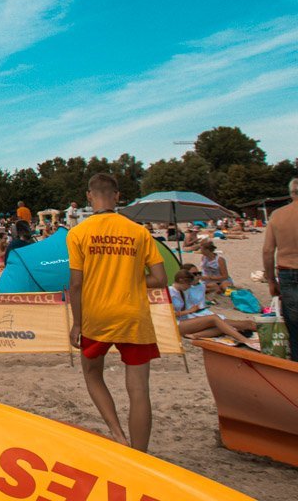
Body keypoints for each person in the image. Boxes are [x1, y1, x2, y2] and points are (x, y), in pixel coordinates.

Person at [67, 173, 167, 451]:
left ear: (89, 196)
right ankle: (140, 454)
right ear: (117, 196)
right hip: (133, 315)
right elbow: (160, 279)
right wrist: (130, 280)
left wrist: (77, 324)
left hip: (97, 315)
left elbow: (76, 284)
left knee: (92, 374)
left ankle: (117, 433)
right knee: (139, 390)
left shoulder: (78, 233)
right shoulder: (138, 231)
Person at [169, 266, 257, 347]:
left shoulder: (183, 291)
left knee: (223, 326)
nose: (189, 287)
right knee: (214, 318)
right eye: (188, 284)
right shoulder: (170, 292)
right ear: (181, 281)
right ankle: (244, 340)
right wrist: (188, 311)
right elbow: (167, 314)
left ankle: (196, 335)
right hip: (176, 324)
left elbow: (202, 286)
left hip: (185, 320)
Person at [263, 177, 298, 361]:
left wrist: (270, 280)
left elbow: (268, 251)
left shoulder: (278, 215)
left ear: (291, 193)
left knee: (294, 326)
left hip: (288, 271)